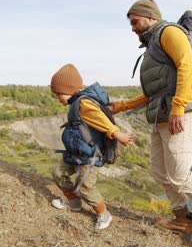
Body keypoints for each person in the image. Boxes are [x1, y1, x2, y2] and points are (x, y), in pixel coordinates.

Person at [110, 0, 192, 247]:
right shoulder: (153, 45)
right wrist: (121, 106)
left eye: (135, 21)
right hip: (161, 115)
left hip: (180, 114)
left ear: (150, 17)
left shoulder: (169, 33)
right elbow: (154, 92)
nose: (132, 27)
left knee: (179, 174)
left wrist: (178, 107)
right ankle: (182, 218)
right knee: (160, 171)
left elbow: (186, 66)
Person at [49, 63, 135, 230]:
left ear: (71, 90)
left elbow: (99, 118)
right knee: (58, 173)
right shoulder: (78, 103)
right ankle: (73, 202)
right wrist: (141, 99)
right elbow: (116, 107)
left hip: (89, 156)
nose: (57, 97)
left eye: (58, 93)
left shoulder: (83, 104)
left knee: (87, 186)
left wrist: (117, 134)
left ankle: (104, 214)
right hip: (75, 152)